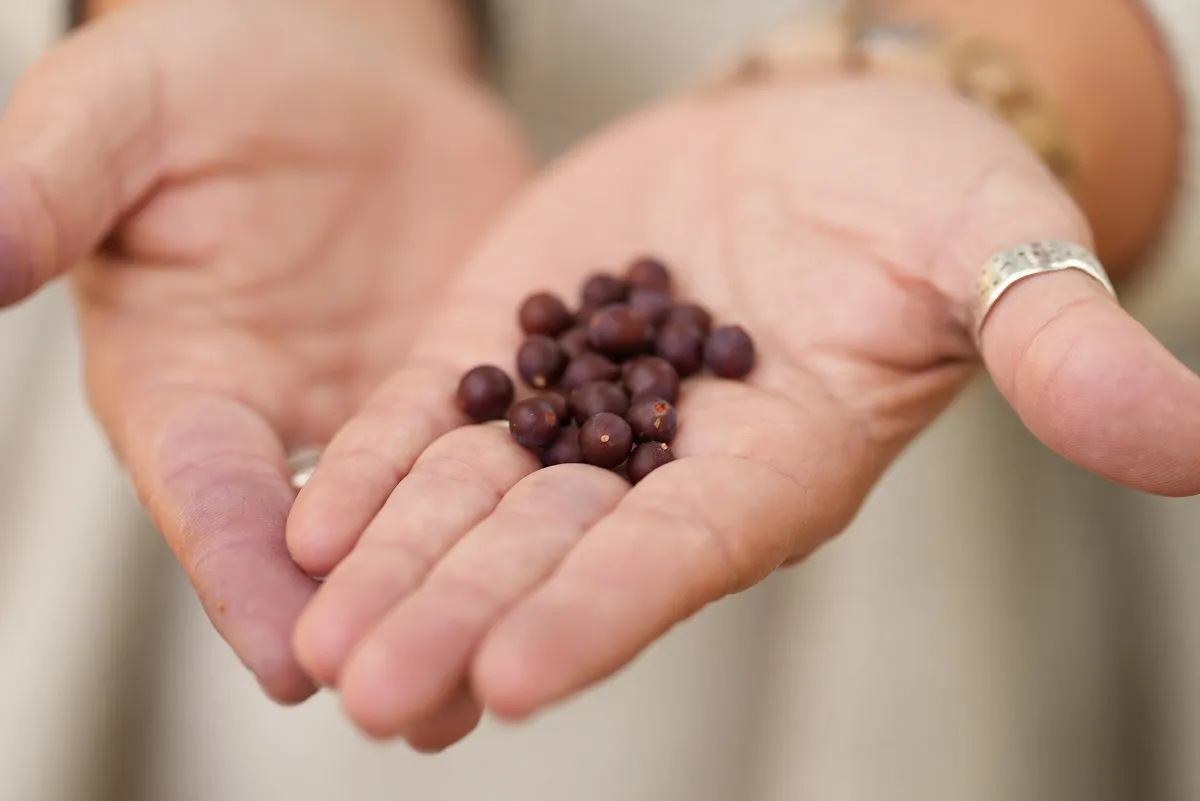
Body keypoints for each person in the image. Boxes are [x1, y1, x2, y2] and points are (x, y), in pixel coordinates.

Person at [0, 0, 1195, 799]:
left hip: (922, 551)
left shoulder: (634, 369)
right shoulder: (587, 371)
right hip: (277, 293)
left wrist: (982, 83)